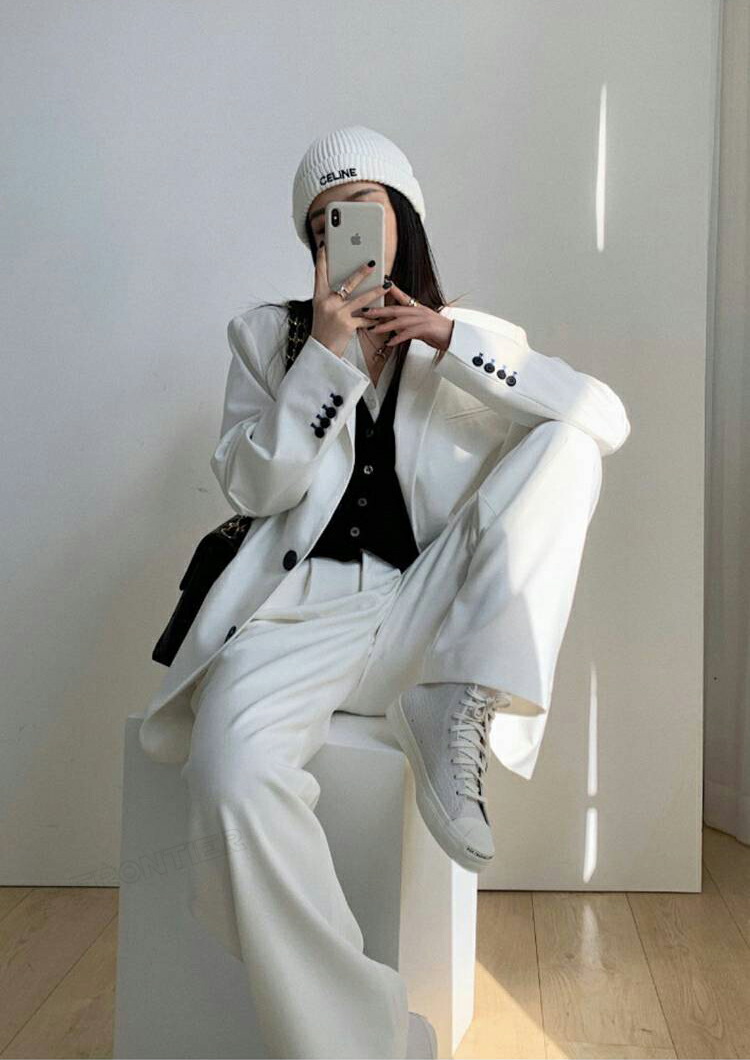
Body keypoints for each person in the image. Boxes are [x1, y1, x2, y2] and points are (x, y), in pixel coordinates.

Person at [140, 124, 631, 1059]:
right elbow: (253, 488)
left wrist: (451, 339)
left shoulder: (469, 342)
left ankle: (458, 697)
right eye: (323, 221)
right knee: (231, 780)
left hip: (421, 614)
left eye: (361, 209)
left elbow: (602, 419)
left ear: (401, 216)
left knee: (568, 445)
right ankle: (370, 1041)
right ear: (311, 242)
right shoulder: (265, 338)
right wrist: (324, 358)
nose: (344, 232)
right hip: (295, 617)